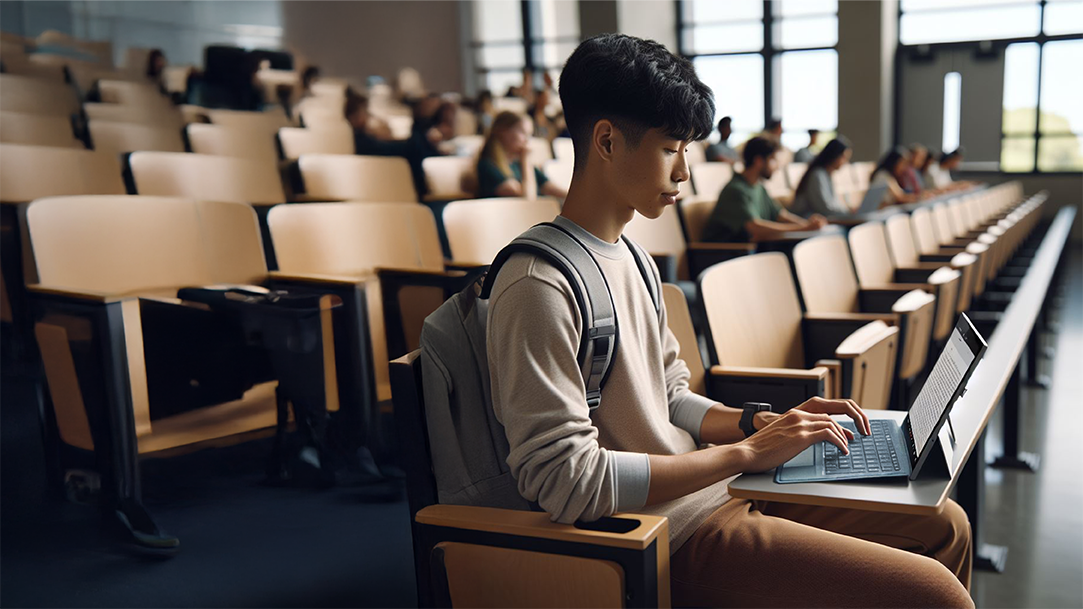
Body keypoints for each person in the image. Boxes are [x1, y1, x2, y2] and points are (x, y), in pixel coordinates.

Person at [485, 34, 974, 609]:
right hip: (659, 533)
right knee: (937, 595)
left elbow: (669, 398)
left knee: (946, 524)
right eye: (672, 149)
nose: (686, 171)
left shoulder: (636, 259)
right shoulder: (539, 283)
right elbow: (567, 483)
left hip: (716, 487)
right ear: (608, 140)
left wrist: (760, 424)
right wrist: (746, 456)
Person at [701, 137, 827, 242]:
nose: (777, 167)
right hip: (728, 253)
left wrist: (807, 224)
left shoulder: (759, 187)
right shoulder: (736, 190)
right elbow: (755, 227)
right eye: (773, 160)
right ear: (758, 160)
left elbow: (780, 215)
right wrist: (804, 229)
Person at [475, 110, 566, 199]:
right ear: (502, 131)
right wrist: (526, 160)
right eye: (523, 132)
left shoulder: (517, 163)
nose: (527, 140)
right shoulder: (488, 166)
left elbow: (548, 187)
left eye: (529, 135)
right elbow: (528, 200)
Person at [790, 137, 853, 217]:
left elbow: (833, 203)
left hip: (820, 219)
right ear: (834, 155)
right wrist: (848, 213)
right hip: (807, 220)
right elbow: (824, 209)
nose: (846, 162)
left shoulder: (827, 174)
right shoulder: (817, 175)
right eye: (844, 158)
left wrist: (849, 211)